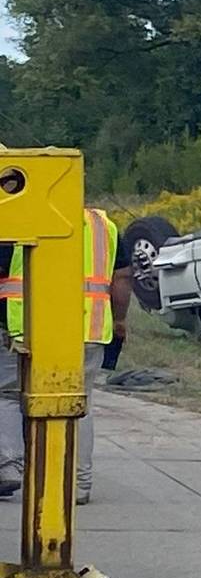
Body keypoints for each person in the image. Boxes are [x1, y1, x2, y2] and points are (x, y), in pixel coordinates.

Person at [0, 208, 131, 504]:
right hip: (86, 328)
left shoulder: (18, 213)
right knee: (79, 403)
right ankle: (78, 484)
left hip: (25, 326)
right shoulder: (101, 225)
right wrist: (120, 319)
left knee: (8, 394)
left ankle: (9, 465)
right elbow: (122, 277)